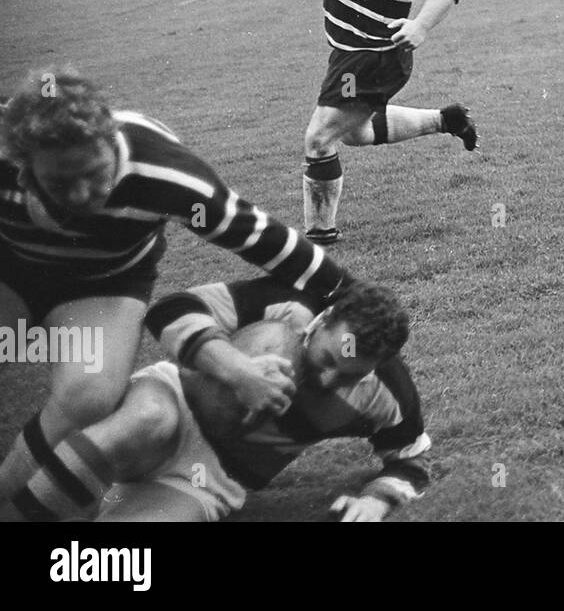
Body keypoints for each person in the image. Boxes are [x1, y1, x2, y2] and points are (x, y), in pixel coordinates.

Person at [0, 70, 348, 507]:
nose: (84, 193)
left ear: (111, 138)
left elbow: (263, 238)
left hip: (102, 282)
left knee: (88, 397)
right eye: (59, 184)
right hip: (11, 268)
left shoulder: (163, 171)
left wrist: (349, 294)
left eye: (94, 172)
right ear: (22, 167)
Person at [1, 274, 430, 522]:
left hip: (214, 476)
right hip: (175, 401)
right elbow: (171, 309)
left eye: (346, 375)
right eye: (326, 359)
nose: (328, 376)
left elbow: (410, 460)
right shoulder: (286, 302)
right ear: (322, 321)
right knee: (146, 419)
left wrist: (378, 498)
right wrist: (240, 372)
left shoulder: (387, 394)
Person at [294, 0, 476, 246]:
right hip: (344, 54)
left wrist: (422, 26)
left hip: (376, 56)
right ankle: (445, 119)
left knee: (319, 138)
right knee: (354, 133)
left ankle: (319, 240)